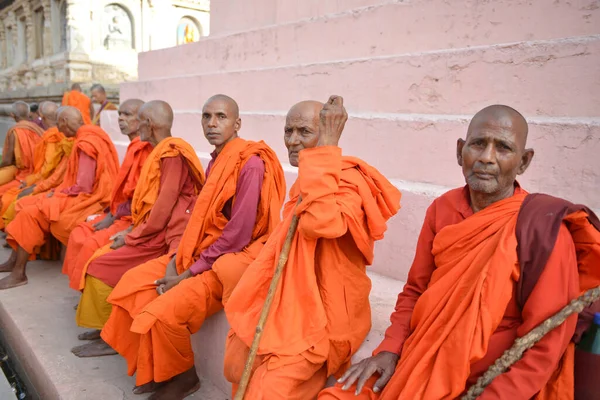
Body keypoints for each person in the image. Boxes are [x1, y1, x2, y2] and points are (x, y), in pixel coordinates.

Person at [319, 105, 600, 400]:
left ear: (523, 161)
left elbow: (545, 342)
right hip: (420, 358)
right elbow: (416, 290)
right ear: (460, 151)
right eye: (478, 144)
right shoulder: (443, 208)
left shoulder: (543, 227)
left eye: (503, 148)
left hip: (492, 379)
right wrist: (390, 348)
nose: (486, 158)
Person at [100, 94, 286, 399]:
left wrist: (187, 274)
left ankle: (185, 378)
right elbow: (202, 219)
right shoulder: (217, 160)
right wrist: (179, 257)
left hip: (230, 260)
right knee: (131, 284)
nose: (212, 123)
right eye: (206, 116)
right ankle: (154, 370)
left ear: (236, 123)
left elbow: (237, 236)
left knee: (163, 312)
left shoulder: (250, 164)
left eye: (221, 117)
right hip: (202, 250)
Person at [223, 96, 402, 400]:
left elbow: (321, 223)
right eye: (288, 131)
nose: (293, 141)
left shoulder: (349, 182)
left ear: (327, 135)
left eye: (304, 132)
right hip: (288, 301)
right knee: (238, 362)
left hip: (323, 317)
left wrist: (328, 145)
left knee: (268, 391)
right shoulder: (311, 179)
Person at [69, 100, 205, 358]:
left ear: (149, 124)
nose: (134, 126)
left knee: (99, 267)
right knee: (98, 260)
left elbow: (163, 211)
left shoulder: (172, 156)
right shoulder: (160, 151)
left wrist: (131, 236)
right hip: (151, 230)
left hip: (165, 235)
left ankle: (107, 338)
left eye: (139, 120)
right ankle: (103, 330)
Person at [0, 106, 120, 290]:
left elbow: (83, 186)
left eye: (59, 124)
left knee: (29, 211)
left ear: (63, 122)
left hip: (89, 199)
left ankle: (18, 273)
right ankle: (15, 263)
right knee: (26, 205)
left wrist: (56, 193)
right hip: (81, 193)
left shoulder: (86, 143)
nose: (58, 129)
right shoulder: (91, 135)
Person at [62, 99, 152, 291]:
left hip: (133, 219)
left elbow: (142, 198)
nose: (121, 118)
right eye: (120, 114)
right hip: (117, 210)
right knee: (79, 232)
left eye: (127, 114)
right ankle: (84, 292)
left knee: (89, 243)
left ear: (144, 120)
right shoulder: (133, 147)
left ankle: (88, 295)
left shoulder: (147, 150)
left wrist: (113, 218)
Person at [0, 102, 72, 230]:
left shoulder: (52, 137)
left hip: (43, 181)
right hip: (40, 178)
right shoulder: (41, 131)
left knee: (12, 197)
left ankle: (12, 231)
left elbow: (48, 171)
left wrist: (31, 183)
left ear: (42, 117)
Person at [0, 102, 44, 193]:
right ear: (28, 114)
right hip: (40, 171)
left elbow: (7, 161)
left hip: (23, 174)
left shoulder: (15, 131)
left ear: (12, 115)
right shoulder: (38, 129)